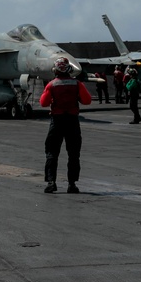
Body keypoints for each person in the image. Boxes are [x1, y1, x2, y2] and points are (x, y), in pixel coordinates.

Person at [39, 56, 92, 194]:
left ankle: (51, 182)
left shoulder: (51, 85)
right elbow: (87, 101)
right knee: (73, 154)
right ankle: (72, 184)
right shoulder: (77, 84)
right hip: (72, 121)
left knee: (52, 153)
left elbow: (43, 103)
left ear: (55, 69)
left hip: (57, 121)